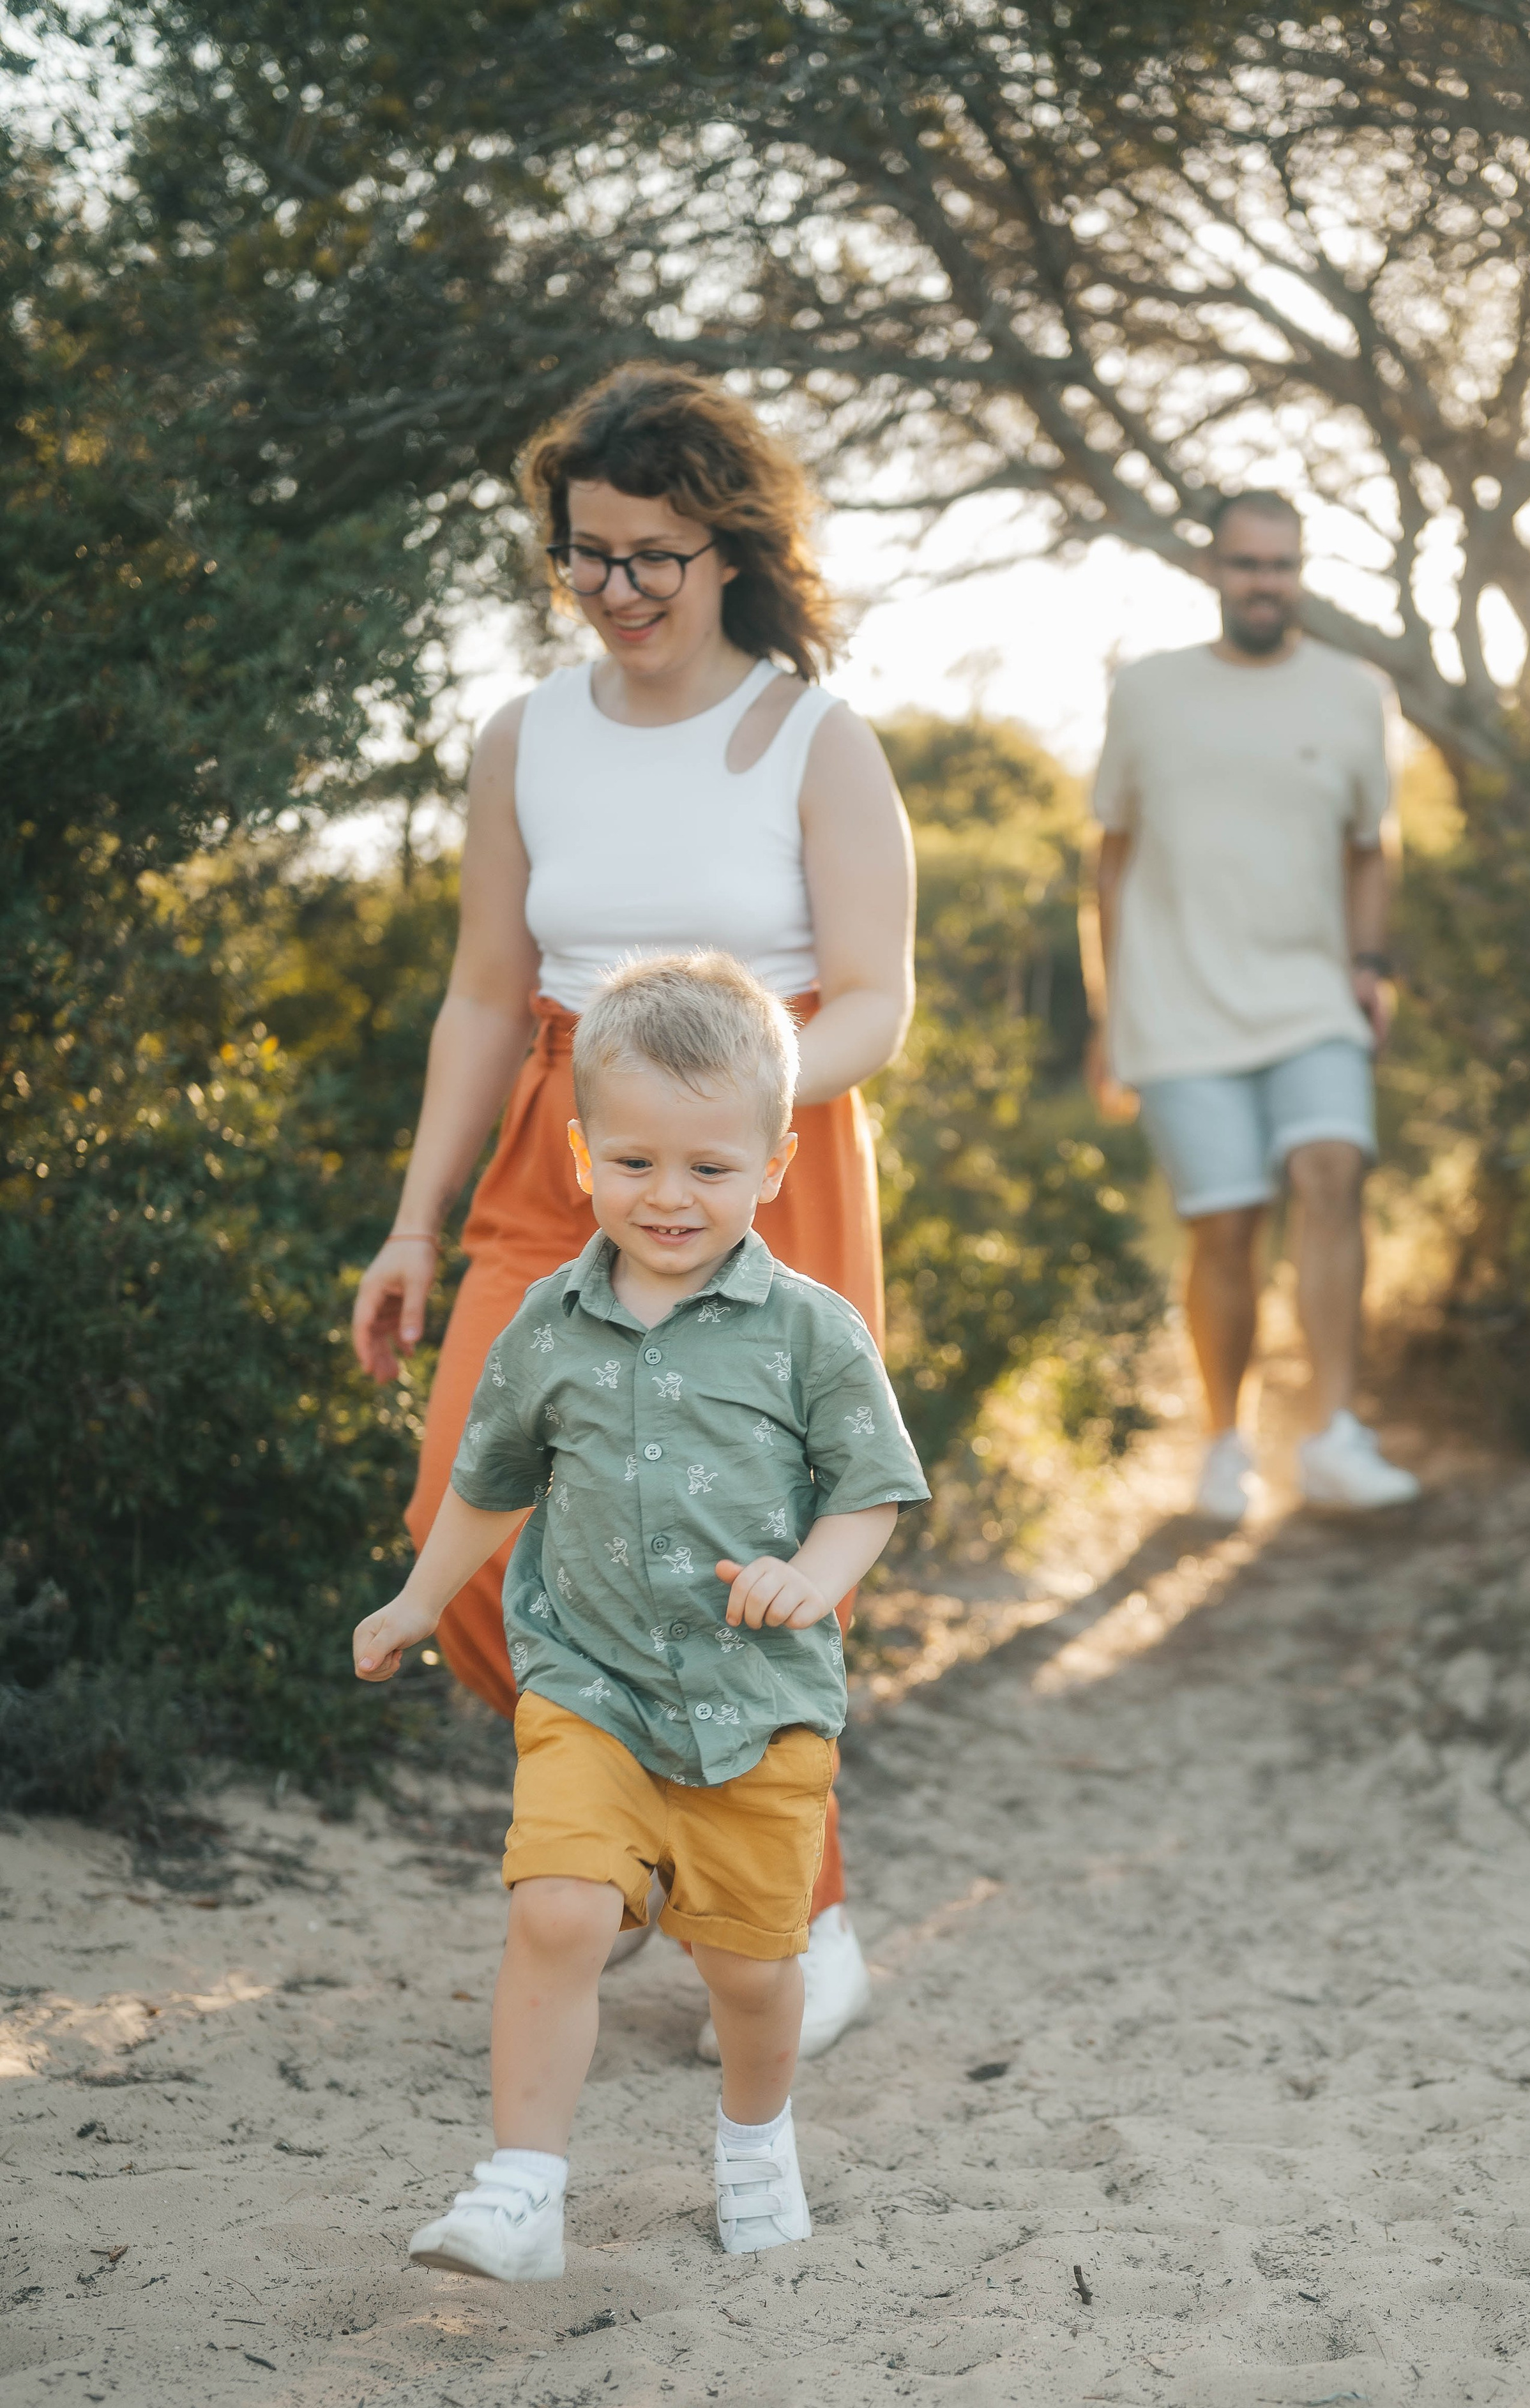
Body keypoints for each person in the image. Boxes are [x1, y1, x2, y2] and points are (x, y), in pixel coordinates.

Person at [350, 364, 916, 2058]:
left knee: (733, 1553)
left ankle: (795, 1915)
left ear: (729, 548)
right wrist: (413, 1221)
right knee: (477, 1530)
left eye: (654, 555)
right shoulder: (526, 735)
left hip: (768, 1154)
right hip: (560, 1142)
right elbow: (476, 995)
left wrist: (728, 1114)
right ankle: (656, 1834)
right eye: (588, 555)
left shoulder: (816, 739)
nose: (619, 592)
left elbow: (881, 999)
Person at [354, 955, 928, 2280]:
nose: (668, 1197)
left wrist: (817, 1576)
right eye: (634, 1162)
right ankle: (520, 2188)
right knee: (555, 1908)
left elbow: (871, 1493)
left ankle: (752, 2135)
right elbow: (485, 1486)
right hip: (591, 1686)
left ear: (776, 1162)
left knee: (745, 1972)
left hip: (756, 1703)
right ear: (578, 1154)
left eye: (708, 1169)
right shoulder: (547, 1329)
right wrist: (416, 1599)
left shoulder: (808, 1332)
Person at [1090, 490, 1420, 1521]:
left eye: (1280, 565)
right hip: (1178, 1004)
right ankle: (1224, 1446)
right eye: (1245, 565)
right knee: (1225, 1225)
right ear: (1212, 572)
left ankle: (1333, 1434)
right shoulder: (1147, 692)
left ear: (1303, 572)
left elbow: (1374, 845)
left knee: (1331, 1173)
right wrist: (1111, 1012)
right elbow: (1111, 855)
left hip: (1311, 993)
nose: (1263, 583)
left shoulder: (1355, 691)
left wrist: (1369, 962)